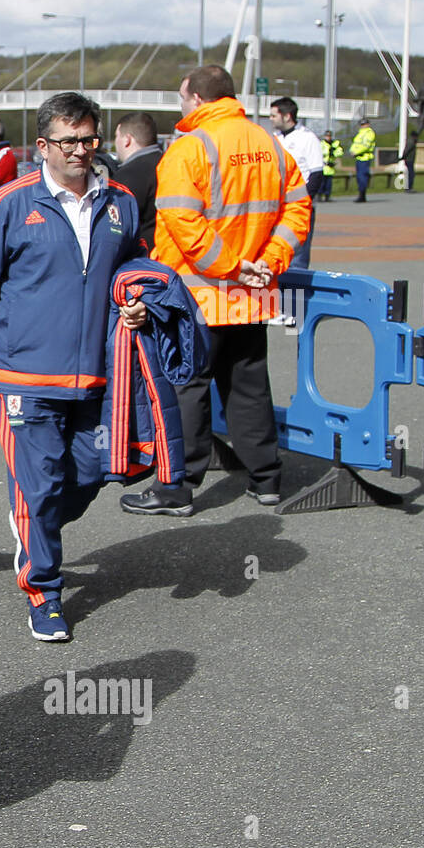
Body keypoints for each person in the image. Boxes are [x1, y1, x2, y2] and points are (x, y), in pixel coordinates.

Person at [0, 92, 143, 642]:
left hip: (98, 375)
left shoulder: (121, 203)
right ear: (42, 147)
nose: (81, 150)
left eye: (89, 139)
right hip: (24, 379)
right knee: (37, 489)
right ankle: (44, 592)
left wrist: (140, 299)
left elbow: (138, 266)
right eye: (69, 141)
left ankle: (35, 526)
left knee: (90, 473)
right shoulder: (9, 204)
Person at [121, 65, 310, 517]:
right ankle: (266, 479)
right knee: (248, 386)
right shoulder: (269, 143)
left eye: (183, 98)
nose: (181, 107)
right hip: (252, 293)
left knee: (187, 387)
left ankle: (178, 487)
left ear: (199, 99)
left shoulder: (189, 149)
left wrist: (230, 266)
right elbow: (298, 207)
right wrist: (267, 262)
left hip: (198, 293)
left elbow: (184, 225)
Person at [268, 97, 323, 283]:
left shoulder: (307, 139)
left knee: (297, 256)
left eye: (274, 115)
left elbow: (316, 174)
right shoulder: (274, 139)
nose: (271, 119)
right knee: (275, 253)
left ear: (287, 116)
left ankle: (297, 304)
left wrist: (302, 202)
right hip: (275, 206)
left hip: (297, 206)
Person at [112, 111, 163, 252]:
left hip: (142, 259)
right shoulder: (169, 164)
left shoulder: (130, 174)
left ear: (127, 139)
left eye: (117, 137)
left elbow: (116, 226)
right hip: (168, 253)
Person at [350, 118, 376, 203]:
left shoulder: (369, 133)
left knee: (362, 177)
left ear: (368, 124)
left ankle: (362, 195)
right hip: (358, 158)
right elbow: (355, 144)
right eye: (361, 125)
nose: (363, 126)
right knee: (359, 177)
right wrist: (352, 151)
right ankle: (361, 194)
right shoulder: (360, 133)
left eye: (364, 124)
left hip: (364, 157)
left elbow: (366, 145)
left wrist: (356, 152)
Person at [320, 130, 343, 201]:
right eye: (327, 136)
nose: (328, 138)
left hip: (330, 167)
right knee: (321, 183)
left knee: (329, 183)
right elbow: (320, 153)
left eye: (329, 136)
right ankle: (319, 195)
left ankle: (327, 196)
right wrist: (328, 152)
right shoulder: (321, 143)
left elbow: (340, 151)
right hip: (323, 166)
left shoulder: (335, 144)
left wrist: (333, 153)